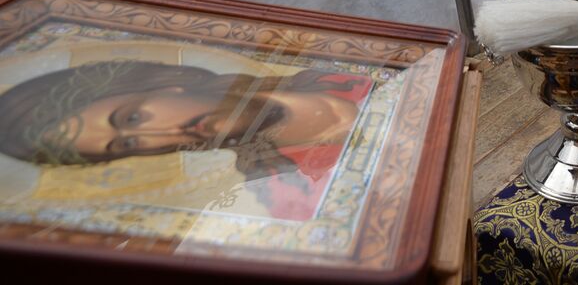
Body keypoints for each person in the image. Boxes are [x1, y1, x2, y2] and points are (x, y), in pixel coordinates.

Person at [0, 60, 372, 220]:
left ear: (165, 85)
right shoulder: (288, 194)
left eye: (133, 118)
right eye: (128, 144)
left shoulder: (335, 66)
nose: (162, 136)